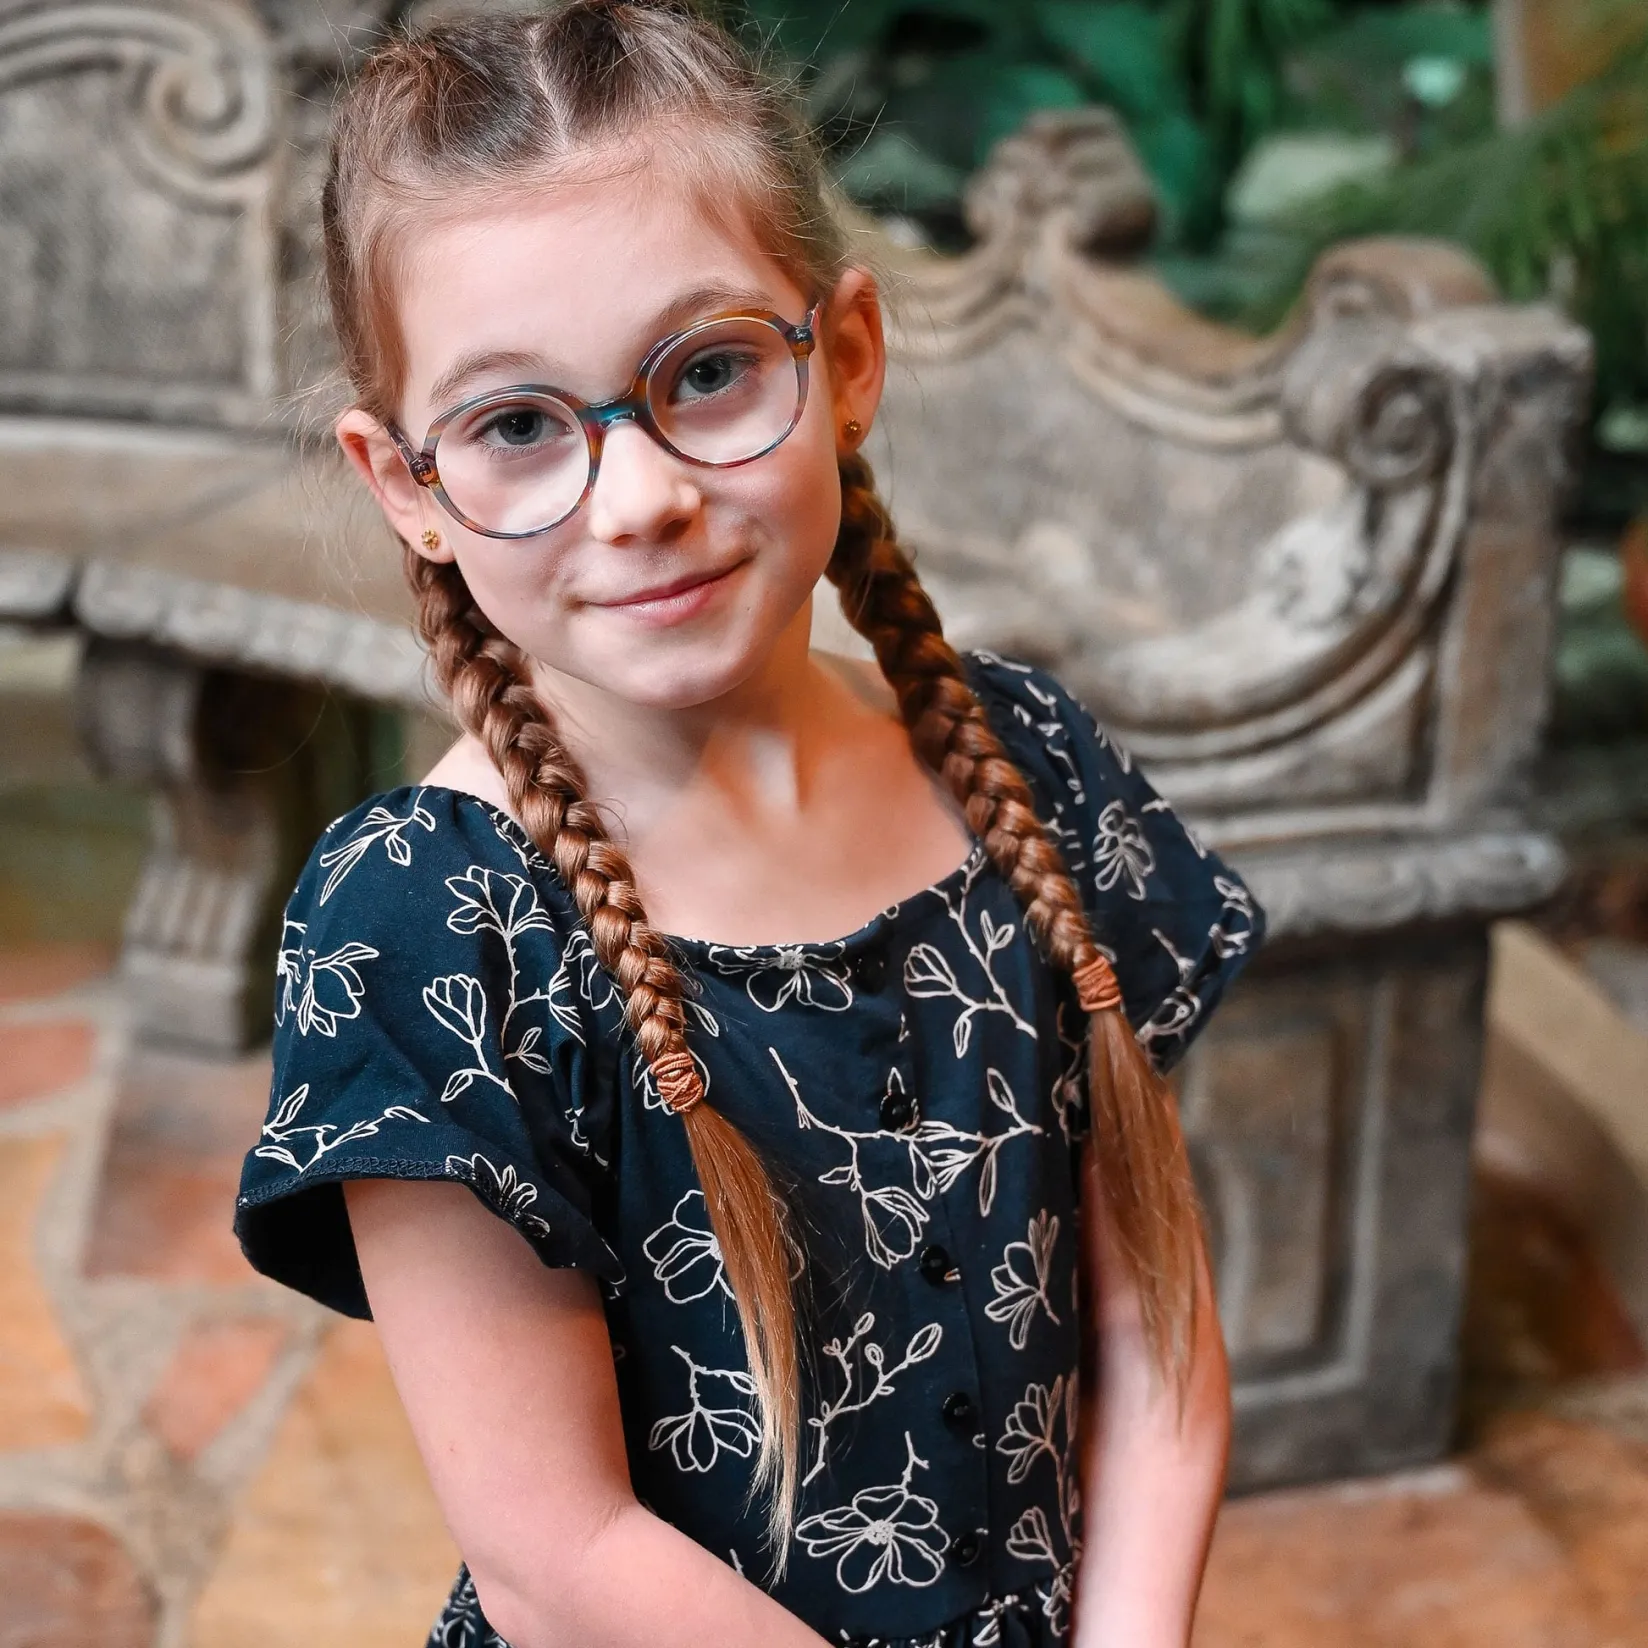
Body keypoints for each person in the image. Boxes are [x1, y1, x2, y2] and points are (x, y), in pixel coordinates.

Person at [234, 5, 1263, 1645]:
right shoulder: (424, 927)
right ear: (406, 483)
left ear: (844, 359)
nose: (642, 499)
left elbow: (1159, 1328)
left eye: (707, 372)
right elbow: (556, 1555)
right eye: (515, 425)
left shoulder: (1028, 767)